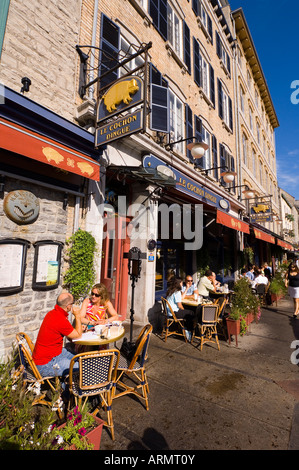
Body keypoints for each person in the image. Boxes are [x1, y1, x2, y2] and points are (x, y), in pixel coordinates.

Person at [32, 292, 82, 378]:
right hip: (45, 364)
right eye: (72, 303)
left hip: (54, 353)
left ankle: (67, 383)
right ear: (68, 306)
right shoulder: (60, 319)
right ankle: (70, 388)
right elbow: (77, 336)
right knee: (82, 367)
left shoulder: (52, 313)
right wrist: (77, 316)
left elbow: (70, 335)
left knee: (80, 360)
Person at [166, 277, 195, 341]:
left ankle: (185, 328)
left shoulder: (171, 290)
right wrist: (184, 310)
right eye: (181, 282)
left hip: (169, 312)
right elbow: (179, 305)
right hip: (174, 313)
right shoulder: (177, 292)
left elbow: (181, 298)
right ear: (178, 283)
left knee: (187, 312)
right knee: (191, 313)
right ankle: (188, 331)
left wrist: (187, 288)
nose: (182, 284)